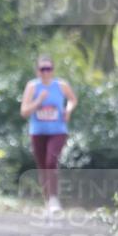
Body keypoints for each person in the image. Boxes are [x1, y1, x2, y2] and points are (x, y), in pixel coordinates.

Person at [20, 55, 77, 214]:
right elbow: (24, 112)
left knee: (51, 162)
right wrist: (38, 101)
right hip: (38, 132)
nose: (46, 72)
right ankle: (48, 200)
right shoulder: (32, 87)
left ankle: (53, 199)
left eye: (48, 69)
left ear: (53, 70)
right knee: (42, 166)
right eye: (42, 69)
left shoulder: (61, 85)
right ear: (37, 71)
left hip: (58, 130)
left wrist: (68, 110)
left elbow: (72, 100)